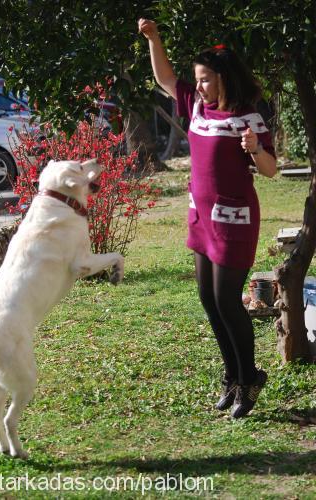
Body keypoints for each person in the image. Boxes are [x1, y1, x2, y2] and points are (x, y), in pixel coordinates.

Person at [138, 18, 277, 419]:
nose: (197, 86)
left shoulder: (247, 117)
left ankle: (250, 378)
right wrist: (153, 38)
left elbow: (269, 170)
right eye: (197, 80)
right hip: (201, 217)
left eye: (204, 80)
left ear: (223, 80)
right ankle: (233, 377)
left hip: (234, 220)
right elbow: (165, 79)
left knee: (227, 301)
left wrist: (254, 148)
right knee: (207, 299)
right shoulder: (198, 107)